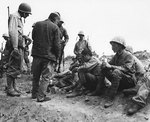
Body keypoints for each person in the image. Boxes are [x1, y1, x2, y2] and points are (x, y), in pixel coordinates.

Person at [31, 12, 61, 102]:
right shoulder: (55, 27)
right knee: (46, 77)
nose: (58, 22)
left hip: (36, 55)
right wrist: (57, 56)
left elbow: (33, 37)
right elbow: (57, 44)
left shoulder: (37, 24)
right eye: (58, 20)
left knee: (36, 76)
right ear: (55, 19)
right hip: (48, 56)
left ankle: (34, 94)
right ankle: (40, 97)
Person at [100, 37, 138, 108]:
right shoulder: (116, 55)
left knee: (117, 72)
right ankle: (98, 90)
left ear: (120, 46)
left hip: (129, 81)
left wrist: (111, 66)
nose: (112, 48)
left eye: (113, 45)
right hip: (121, 79)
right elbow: (109, 64)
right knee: (104, 69)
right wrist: (104, 64)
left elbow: (126, 68)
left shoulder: (128, 55)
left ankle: (110, 99)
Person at [6, 3, 32, 97]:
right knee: (13, 67)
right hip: (15, 46)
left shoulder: (18, 18)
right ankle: (10, 89)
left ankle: (14, 87)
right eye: (27, 14)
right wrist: (15, 47)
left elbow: (18, 32)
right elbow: (13, 32)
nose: (28, 16)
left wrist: (24, 36)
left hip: (19, 46)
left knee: (17, 67)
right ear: (23, 12)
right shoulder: (14, 16)